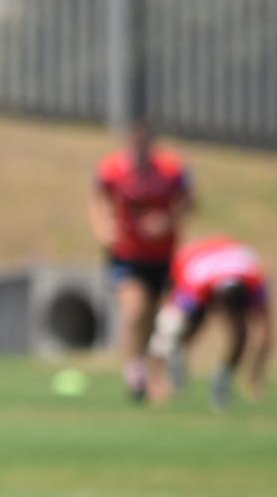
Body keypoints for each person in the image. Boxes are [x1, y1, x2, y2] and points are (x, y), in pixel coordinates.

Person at [88, 120, 194, 401]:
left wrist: (167, 221)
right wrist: (101, 226)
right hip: (126, 254)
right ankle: (134, 373)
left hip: (161, 255)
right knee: (134, 310)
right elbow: (97, 197)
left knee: (158, 318)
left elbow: (189, 201)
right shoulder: (113, 168)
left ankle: (155, 372)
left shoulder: (171, 169)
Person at [147, 234, 275, 410]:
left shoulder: (256, 281)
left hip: (227, 257)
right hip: (190, 259)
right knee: (177, 326)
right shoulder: (196, 283)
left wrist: (255, 375)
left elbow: (265, 331)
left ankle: (222, 379)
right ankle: (174, 357)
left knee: (240, 330)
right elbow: (165, 325)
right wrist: (156, 378)